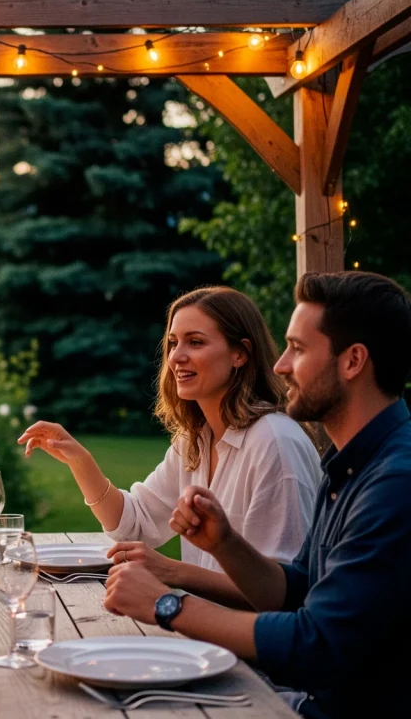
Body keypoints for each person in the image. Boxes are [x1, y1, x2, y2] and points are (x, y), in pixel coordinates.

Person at [103, 271, 411, 718]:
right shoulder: (351, 464)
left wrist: (166, 604)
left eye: (298, 349)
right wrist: (226, 544)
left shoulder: (394, 483)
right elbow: (298, 587)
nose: (281, 365)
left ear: (353, 361)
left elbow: (316, 643)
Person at [18, 286, 321, 607]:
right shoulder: (195, 440)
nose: (176, 356)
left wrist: (173, 572)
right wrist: (81, 462)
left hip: (252, 637)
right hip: (203, 628)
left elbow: (284, 594)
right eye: (173, 343)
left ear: (240, 354)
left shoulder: (274, 443)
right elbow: (135, 524)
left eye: (196, 342)